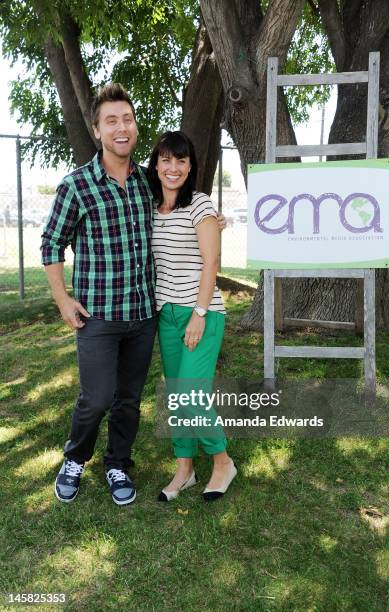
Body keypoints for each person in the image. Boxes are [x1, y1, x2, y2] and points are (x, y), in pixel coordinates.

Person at [41, 83, 225, 506]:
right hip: (98, 316)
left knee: (129, 400)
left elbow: (184, 209)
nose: (121, 128)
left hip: (144, 315)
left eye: (127, 119)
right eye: (111, 121)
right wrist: (62, 299)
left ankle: (118, 464)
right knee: (97, 397)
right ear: (97, 130)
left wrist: (214, 220)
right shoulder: (77, 186)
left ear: (134, 127)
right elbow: (51, 243)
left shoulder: (148, 183)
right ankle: (75, 458)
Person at [149, 131, 237, 502]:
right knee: (177, 394)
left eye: (181, 161)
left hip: (200, 312)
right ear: (155, 164)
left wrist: (199, 313)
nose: (174, 168)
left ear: (191, 166)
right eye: (166, 160)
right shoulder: (149, 206)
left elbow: (211, 262)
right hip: (165, 314)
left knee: (190, 394)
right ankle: (184, 468)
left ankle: (222, 461)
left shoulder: (200, 205)